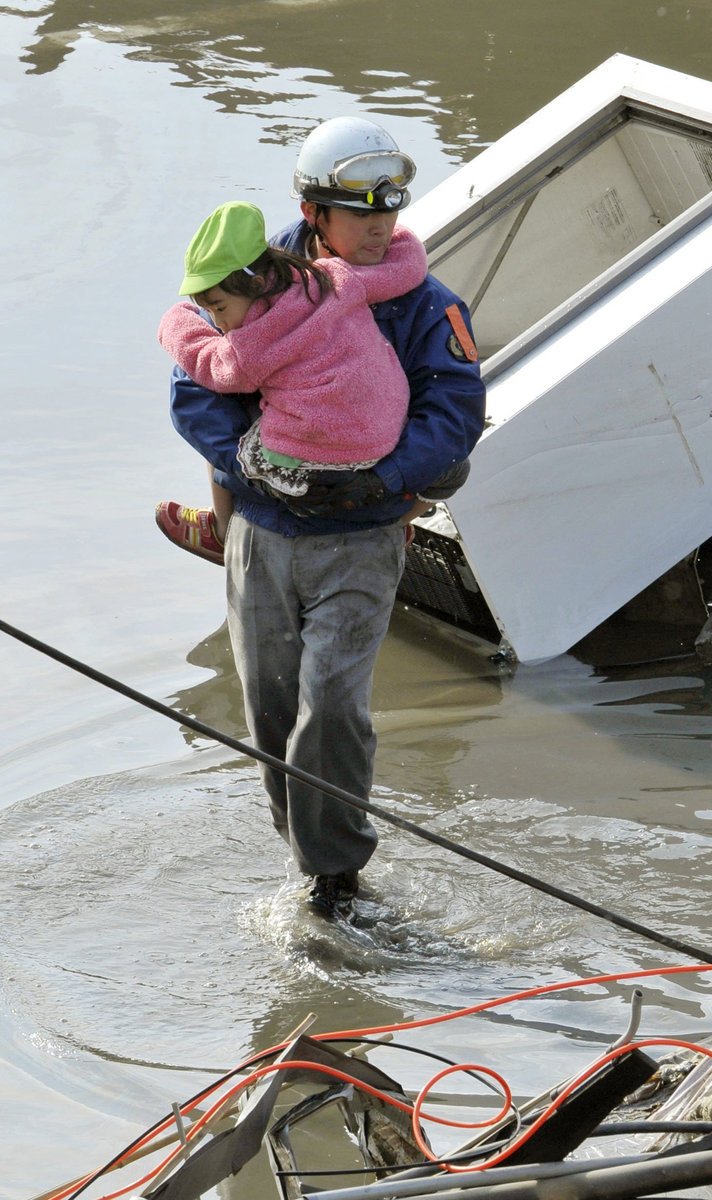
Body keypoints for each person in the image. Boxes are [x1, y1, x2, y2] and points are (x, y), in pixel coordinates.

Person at [158, 116, 486, 919]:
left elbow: (455, 411)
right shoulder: (248, 284)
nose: (379, 228)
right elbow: (195, 391)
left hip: (362, 537)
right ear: (313, 213)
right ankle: (309, 861)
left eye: (389, 212)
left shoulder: (422, 305)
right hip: (263, 536)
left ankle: (338, 879)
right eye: (359, 213)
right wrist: (260, 470)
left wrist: (378, 478)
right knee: (270, 709)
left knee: (333, 704)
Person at [158, 202, 468, 532]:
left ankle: (220, 528)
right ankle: (393, 528)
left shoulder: (251, 345)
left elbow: (212, 367)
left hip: (308, 470)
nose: (219, 323)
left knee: (232, 434)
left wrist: (174, 321)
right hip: (382, 447)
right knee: (455, 468)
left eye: (219, 308)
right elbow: (403, 270)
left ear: (258, 285)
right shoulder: (333, 277)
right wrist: (397, 236)